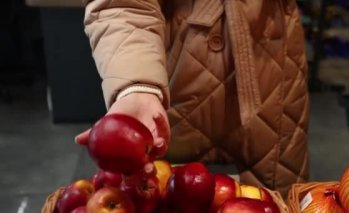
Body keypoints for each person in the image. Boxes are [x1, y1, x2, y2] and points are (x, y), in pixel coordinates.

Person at [76, 0, 310, 197]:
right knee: (165, 195)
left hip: (270, 72)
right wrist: (137, 85)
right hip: (170, 82)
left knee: (274, 197)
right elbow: (122, 5)